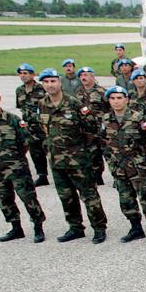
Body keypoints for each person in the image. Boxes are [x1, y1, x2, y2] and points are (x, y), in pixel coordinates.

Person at [37, 68, 107, 243]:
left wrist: (81, 150)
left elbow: (91, 129)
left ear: (60, 82)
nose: (50, 85)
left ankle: (99, 227)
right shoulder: (42, 104)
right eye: (46, 82)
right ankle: (75, 227)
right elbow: (42, 130)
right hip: (56, 160)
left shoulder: (75, 104)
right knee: (66, 197)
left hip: (78, 159)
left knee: (89, 196)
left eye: (53, 81)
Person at [0, 83, 45, 242]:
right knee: (4, 199)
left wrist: (17, 157)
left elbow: (26, 141)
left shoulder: (13, 120)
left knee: (28, 197)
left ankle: (38, 226)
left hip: (17, 167)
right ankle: (16, 227)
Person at [100, 86, 146, 244]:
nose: (116, 101)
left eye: (119, 98)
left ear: (126, 99)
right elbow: (104, 142)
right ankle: (136, 228)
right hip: (119, 167)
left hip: (139, 167)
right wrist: (111, 161)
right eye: (113, 98)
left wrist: (143, 159)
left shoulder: (138, 118)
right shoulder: (106, 120)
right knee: (126, 199)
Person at [14, 63, 49, 188]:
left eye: (26, 73)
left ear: (32, 75)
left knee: (50, 150)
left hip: (43, 125)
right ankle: (42, 176)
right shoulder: (19, 90)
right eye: (21, 73)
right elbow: (21, 108)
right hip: (29, 127)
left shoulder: (42, 89)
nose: (23, 76)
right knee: (35, 152)